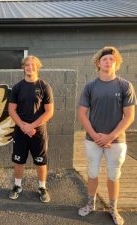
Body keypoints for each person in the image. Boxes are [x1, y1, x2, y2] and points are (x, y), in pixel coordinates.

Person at [78, 46, 136, 225]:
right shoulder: (90, 86)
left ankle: (113, 208)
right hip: (93, 140)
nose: (108, 61)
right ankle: (90, 204)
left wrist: (110, 137)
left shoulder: (125, 85)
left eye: (112, 59)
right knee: (93, 172)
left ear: (116, 62)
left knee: (114, 175)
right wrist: (95, 136)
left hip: (116, 141)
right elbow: (82, 114)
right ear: (98, 62)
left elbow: (129, 116)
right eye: (105, 59)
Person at [8, 55, 54, 202]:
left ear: (37, 67)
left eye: (33, 65)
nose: (30, 67)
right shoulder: (17, 87)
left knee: (41, 161)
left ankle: (42, 187)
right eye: (27, 65)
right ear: (23, 67)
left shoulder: (44, 86)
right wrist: (23, 126)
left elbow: (49, 112)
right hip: (21, 131)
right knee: (19, 160)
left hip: (38, 131)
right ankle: (17, 186)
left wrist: (32, 126)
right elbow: (11, 110)